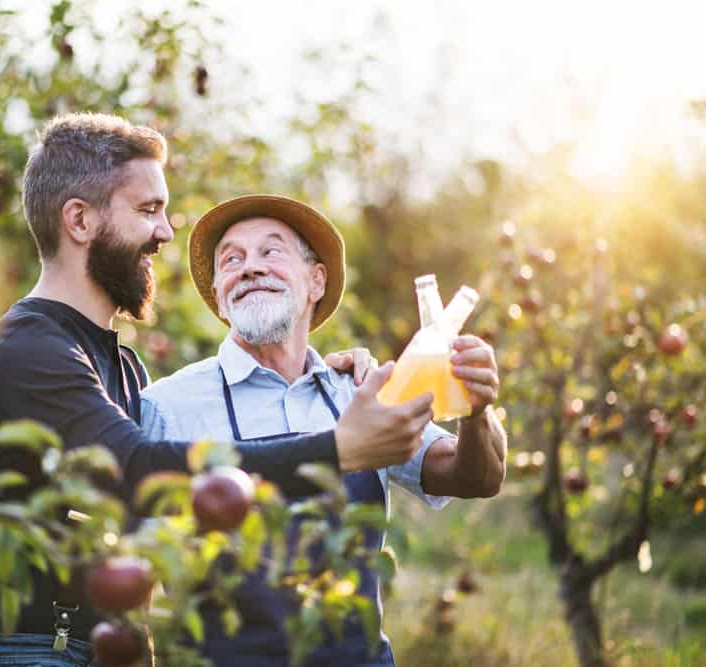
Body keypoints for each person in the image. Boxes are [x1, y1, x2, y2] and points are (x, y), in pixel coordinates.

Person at [0, 114, 445, 667]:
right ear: (79, 219)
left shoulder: (121, 367)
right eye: (148, 210)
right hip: (14, 651)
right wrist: (339, 449)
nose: (166, 232)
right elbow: (135, 467)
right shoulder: (28, 347)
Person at [140, 194, 507, 667]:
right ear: (219, 296)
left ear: (316, 280)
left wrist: (476, 410)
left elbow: (475, 477)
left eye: (270, 252)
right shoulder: (167, 408)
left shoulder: (358, 391)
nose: (249, 267)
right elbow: (134, 579)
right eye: (231, 259)